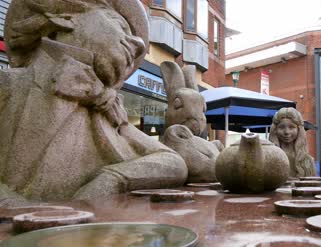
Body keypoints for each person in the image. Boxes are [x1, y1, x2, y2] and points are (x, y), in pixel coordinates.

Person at [0, 0, 187, 202]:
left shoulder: (106, 109)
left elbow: (173, 162)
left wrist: (112, 178)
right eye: (120, 25)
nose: (138, 45)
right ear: (65, 18)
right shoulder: (8, 86)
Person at [269, 107, 316, 178]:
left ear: (299, 130)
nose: (286, 132)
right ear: (275, 130)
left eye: (291, 127)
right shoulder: (268, 159)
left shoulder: (307, 161)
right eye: (281, 127)